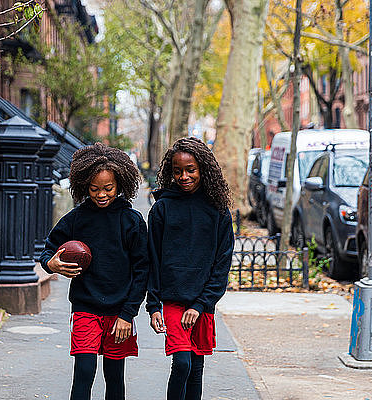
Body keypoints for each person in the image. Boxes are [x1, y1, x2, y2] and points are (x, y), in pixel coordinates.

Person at [39, 143, 148, 400]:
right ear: (83, 185)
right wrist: (51, 264)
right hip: (86, 307)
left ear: (120, 184)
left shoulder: (131, 221)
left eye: (108, 188)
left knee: (114, 375)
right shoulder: (76, 218)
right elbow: (47, 251)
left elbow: (142, 270)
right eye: (94, 188)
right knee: (84, 372)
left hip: (119, 312)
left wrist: (127, 314)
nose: (101, 194)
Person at [146, 137, 234, 400]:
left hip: (202, 301)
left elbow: (222, 263)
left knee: (196, 367)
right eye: (177, 171)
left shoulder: (218, 210)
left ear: (202, 169)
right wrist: (153, 306)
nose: (184, 176)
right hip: (172, 300)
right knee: (182, 362)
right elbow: (152, 259)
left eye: (190, 170)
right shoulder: (162, 208)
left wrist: (202, 304)